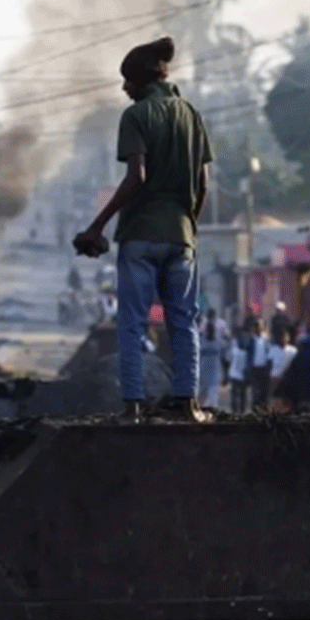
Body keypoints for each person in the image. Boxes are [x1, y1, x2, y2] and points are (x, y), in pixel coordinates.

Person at [73, 36, 212, 423]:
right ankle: (187, 404)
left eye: (127, 81)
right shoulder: (192, 115)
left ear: (141, 81)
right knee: (183, 322)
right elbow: (204, 184)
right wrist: (188, 226)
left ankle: (132, 407)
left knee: (132, 324)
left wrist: (96, 226)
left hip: (140, 236)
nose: (124, 89)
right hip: (181, 238)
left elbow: (137, 176)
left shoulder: (136, 116)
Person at [198, 310, 228, 410]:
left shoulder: (220, 342)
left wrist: (226, 374)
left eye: (212, 329)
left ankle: (212, 412)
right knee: (203, 394)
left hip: (215, 370)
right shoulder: (201, 341)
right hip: (204, 369)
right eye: (209, 329)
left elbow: (225, 359)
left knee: (213, 395)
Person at [247, 319, 272, 410]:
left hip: (264, 369)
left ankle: (264, 410)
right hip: (254, 369)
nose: (258, 329)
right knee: (255, 392)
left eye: (260, 327)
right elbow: (248, 354)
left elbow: (270, 354)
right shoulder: (251, 340)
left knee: (264, 392)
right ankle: (255, 410)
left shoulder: (266, 339)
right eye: (256, 327)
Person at [267, 329, 298, 396]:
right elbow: (269, 363)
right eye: (282, 337)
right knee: (273, 398)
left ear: (288, 338)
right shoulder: (273, 349)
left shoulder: (293, 351)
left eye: (286, 337)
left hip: (287, 379)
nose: (284, 339)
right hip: (275, 377)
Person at [227, 330, 251, 414]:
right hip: (236, 375)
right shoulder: (244, 352)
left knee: (240, 396)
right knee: (240, 396)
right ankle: (238, 411)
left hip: (238, 376)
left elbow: (228, 359)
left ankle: (238, 411)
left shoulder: (236, 350)